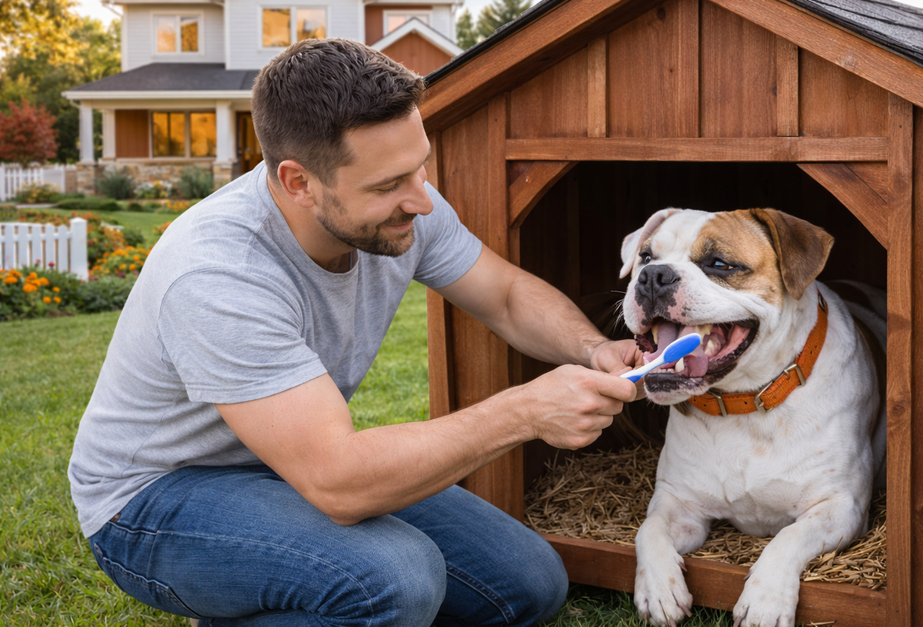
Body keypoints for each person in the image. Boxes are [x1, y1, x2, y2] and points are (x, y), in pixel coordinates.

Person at [68, 38, 642, 627]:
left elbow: (505, 295)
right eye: (388, 185)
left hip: (282, 461)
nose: (421, 201)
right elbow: (339, 483)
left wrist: (594, 348)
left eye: (420, 166)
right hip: (154, 499)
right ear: (299, 182)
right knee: (397, 580)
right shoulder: (219, 272)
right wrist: (524, 411)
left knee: (528, 582)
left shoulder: (403, 206)